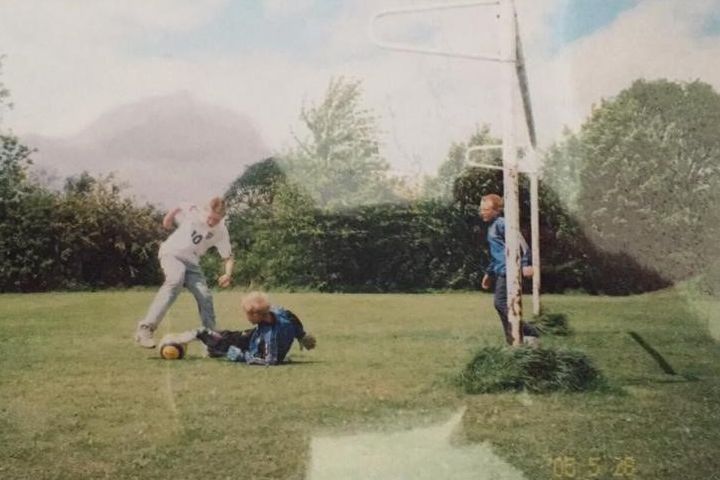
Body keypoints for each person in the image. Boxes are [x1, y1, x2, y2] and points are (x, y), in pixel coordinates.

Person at [135, 197, 234, 348]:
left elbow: (228, 257)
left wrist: (227, 274)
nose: (212, 222)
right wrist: (168, 219)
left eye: (217, 220)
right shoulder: (195, 211)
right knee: (175, 280)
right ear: (205, 211)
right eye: (210, 218)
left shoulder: (221, 231)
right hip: (172, 253)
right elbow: (180, 205)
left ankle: (212, 340)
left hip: (192, 263)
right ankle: (145, 329)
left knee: (205, 295)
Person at [479, 194, 539, 345]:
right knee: (501, 306)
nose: (482, 212)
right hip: (500, 271)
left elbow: (522, 244)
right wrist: (488, 273)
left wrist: (526, 264)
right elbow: (496, 255)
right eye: (481, 209)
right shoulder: (491, 227)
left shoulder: (502, 223)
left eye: (486, 209)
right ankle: (512, 341)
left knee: (500, 303)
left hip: (510, 270)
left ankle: (530, 331)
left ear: (497, 210)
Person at [196, 291, 316, 365]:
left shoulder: (270, 337)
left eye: (247, 314)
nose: (246, 317)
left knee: (229, 344)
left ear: (256, 315)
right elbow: (292, 318)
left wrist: (242, 357)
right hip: (256, 335)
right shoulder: (280, 312)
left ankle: (207, 341)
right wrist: (302, 336)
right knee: (233, 336)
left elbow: (269, 360)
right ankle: (211, 340)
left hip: (254, 346)